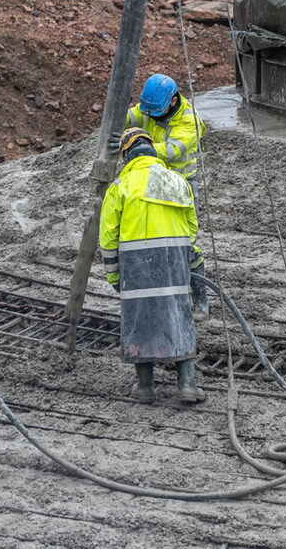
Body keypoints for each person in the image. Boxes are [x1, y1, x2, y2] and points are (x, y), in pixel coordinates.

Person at [100, 128, 205, 403]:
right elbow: (192, 227)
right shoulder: (178, 181)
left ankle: (145, 388)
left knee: (139, 321)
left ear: (127, 156)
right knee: (179, 317)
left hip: (137, 266)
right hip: (174, 262)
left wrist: (114, 277)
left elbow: (108, 239)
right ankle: (188, 385)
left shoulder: (120, 187)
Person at [125, 73, 205, 182]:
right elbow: (131, 117)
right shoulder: (152, 107)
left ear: (173, 101)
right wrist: (118, 116)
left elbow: (172, 150)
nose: (151, 116)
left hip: (181, 179)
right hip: (154, 172)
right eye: (148, 113)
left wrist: (140, 148)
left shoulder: (189, 119)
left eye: (156, 113)